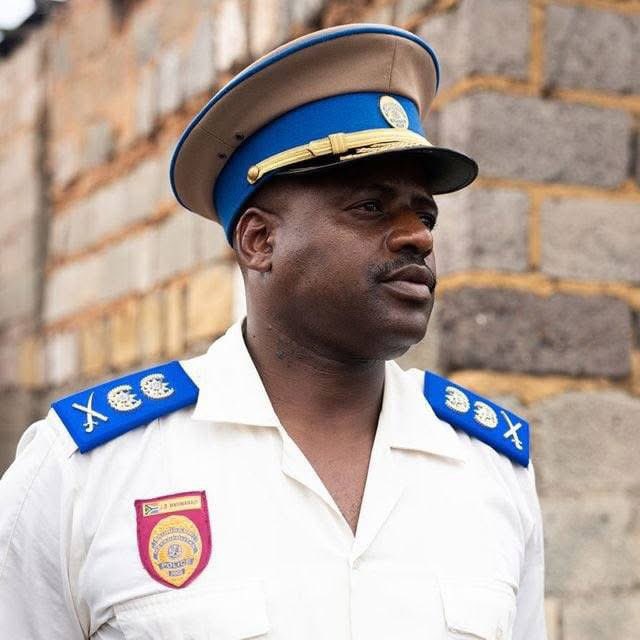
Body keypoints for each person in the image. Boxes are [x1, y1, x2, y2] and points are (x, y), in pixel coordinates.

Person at [0, 24, 546, 639]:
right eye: (370, 207)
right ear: (260, 241)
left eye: (425, 215)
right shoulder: (89, 470)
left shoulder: (490, 469)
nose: (418, 236)